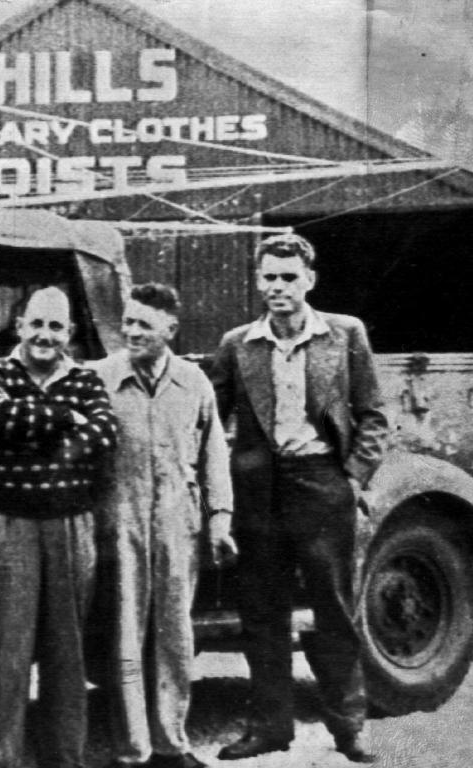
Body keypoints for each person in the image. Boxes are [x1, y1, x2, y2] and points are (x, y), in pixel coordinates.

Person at [210, 233, 388, 763]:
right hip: (258, 492)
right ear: (258, 280)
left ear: (309, 280)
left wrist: (353, 477)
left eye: (288, 277)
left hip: (321, 485)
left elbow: (373, 415)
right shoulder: (236, 343)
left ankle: (348, 728)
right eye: (268, 277)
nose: (278, 288)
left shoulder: (344, 334)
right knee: (263, 613)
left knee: (333, 610)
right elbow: (210, 418)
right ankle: (271, 727)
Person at [0, 285, 118, 768]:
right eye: (36, 324)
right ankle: (0, 759)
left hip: (69, 528)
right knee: (2, 656)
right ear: (19, 327)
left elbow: (102, 434)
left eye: (55, 326)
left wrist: (51, 432)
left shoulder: (88, 381)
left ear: (70, 333)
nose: (44, 336)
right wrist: (65, 418)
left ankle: (63, 759)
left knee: (66, 656)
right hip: (4, 529)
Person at [91, 283, 236, 768]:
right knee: (126, 634)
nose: (131, 331)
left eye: (144, 325)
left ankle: (172, 743)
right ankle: (132, 749)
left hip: (179, 522)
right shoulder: (99, 378)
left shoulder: (194, 382)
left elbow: (213, 452)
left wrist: (219, 519)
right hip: (120, 521)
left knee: (175, 635)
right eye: (128, 321)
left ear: (170, 330)